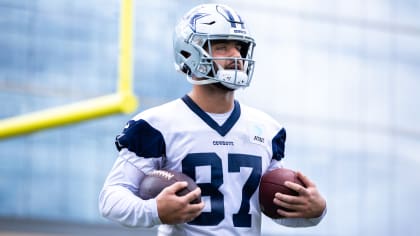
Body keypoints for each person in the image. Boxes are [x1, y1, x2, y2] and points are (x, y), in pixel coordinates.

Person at [99, 3, 326, 236]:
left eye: (239, 47)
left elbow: (272, 207)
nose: (236, 56)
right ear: (189, 52)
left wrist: (315, 211)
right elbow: (111, 198)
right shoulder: (157, 125)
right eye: (222, 47)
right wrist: (154, 210)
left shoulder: (268, 128)